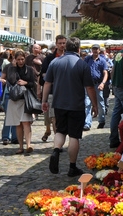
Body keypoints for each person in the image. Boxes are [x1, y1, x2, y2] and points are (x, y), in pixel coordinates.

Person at [42, 37, 99, 177]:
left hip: (59, 104)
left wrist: (44, 100)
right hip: (76, 105)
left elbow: (47, 83)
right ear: (78, 49)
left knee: (60, 131)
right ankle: (72, 167)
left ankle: (56, 150)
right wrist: (95, 104)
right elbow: (90, 87)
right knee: (74, 136)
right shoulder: (82, 64)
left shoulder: (55, 62)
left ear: (65, 47)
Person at [2, 49, 38, 154]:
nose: (21, 61)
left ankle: (28, 145)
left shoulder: (29, 69)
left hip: (26, 99)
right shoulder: (11, 68)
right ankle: (21, 146)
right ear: (15, 60)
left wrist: (25, 82)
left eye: (22, 59)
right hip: (15, 98)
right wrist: (13, 68)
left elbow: (33, 83)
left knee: (26, 123)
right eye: (18, 59)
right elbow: (12, 81)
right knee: (17, 124)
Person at [39, 35, 67, 142]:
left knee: (61, 118)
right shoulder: (50, 58)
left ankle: (55, 135)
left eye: (63, 43)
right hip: (52, 91)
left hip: (65, 92)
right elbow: (43, 74)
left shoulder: (69, 56)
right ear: (56, 44)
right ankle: (57, 141)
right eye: (60, 43)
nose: (62, 45)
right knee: (53, 116)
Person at [84, 44, 111, 130]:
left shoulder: (102, 61)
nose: (95, 50)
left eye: (96, 49)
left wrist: (103, 83)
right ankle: (87, 123)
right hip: (88, 84)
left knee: (100, 103)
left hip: (98, 84)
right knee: (87, 103)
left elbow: (105, 73)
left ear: (99, 50)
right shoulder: (87, 59)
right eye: (93, 49)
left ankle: (101, 120)